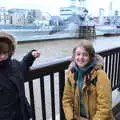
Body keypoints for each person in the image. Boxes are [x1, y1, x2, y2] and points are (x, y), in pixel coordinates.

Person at [62, 40, 114, 120]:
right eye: (78, 54)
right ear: (74, 56)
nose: (81, 58)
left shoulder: (100, 75)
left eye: (85, 55)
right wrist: (71, 117)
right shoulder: (71, 74)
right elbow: (67, 99)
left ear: (91, 57)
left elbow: (105, 106)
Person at [0, 31, 40, 120]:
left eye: (4, 52)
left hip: (22, 113)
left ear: (9, 52)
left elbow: (24, 64)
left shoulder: (15, 65)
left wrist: (31, 55)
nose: (2, 56)